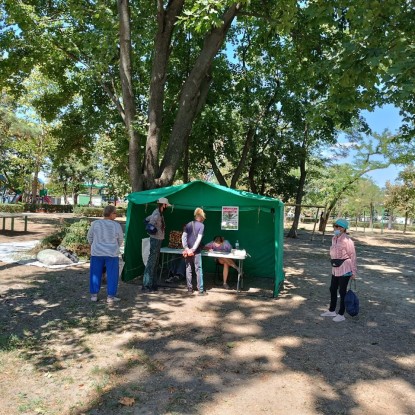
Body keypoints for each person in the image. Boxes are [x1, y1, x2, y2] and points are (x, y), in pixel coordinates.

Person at [321, 218, 357, 322]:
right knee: (332, 289)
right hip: (335, 268)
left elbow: (353, 256)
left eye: (339, 226)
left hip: (345, 268)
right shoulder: (334, 238)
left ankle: (341, 314)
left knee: (342, 291)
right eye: (335, 226)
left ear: (344, 228)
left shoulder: (348, 240)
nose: (336, 228)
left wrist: (354, 272)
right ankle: (332, 310)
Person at [87, 205, 124, 304]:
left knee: (95, 273)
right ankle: (111, 297)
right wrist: (115, 246)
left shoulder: (95, 224)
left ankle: (94, 295)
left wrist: (95, 245)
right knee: (112, 274)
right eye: (115, 213)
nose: (116, 215)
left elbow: (89, 237)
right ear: (111, 214)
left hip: (97, 252)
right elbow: (120, 239)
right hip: (111, 253)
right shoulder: (116, 225)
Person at [142, 197, 171, 292]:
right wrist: (153, 230)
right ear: (164, 205)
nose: (167, 206)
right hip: (155, 239)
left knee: (155, 263)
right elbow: (150, 223)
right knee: (151, 262)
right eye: (166, 205)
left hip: (158, 239)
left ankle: (153, 284)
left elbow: (146, 219)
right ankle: (146, 285)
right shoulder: (157, 214)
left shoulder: (159, 213)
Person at [182, 207, 206, 295]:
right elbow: (199, 239)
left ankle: (189, 289)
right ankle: (200, 290)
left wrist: (186, 249)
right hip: (196, 251)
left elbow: (183, 237)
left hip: (188, 251)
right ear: (201, 216)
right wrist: (192, 249)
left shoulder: (188, 224)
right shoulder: (202, 226)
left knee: (188, 269)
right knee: (198, 269)